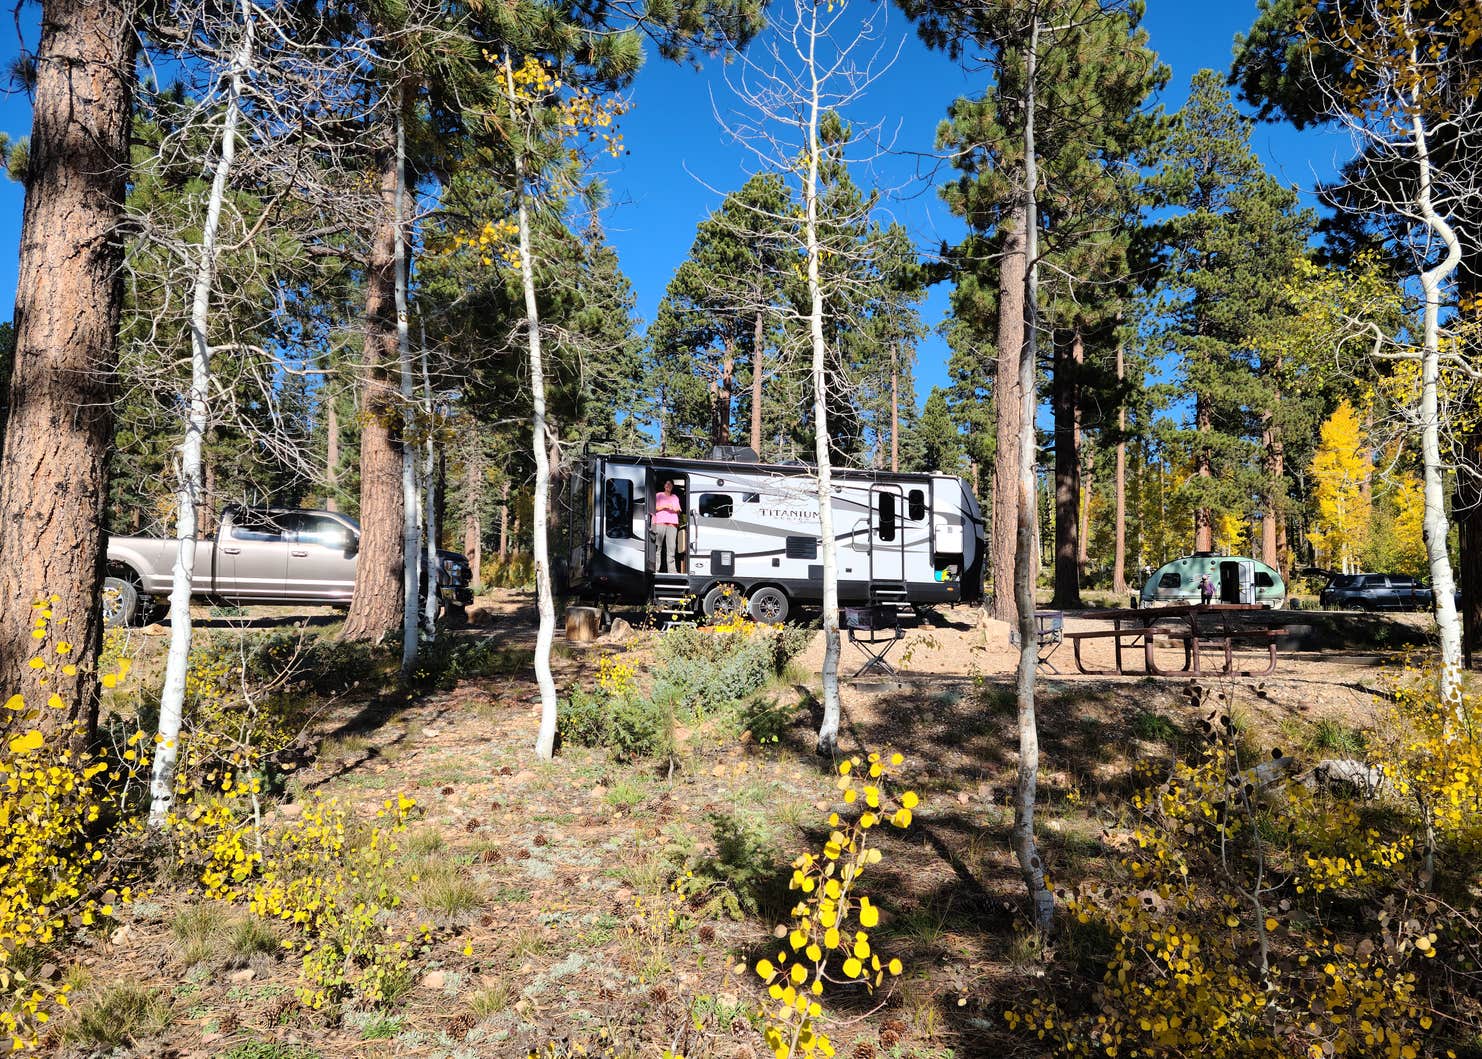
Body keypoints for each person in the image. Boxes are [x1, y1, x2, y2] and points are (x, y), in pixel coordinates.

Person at [652, 479, 681, 573]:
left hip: (672, 523)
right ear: (664, 486)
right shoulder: (659, 495)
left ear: (672, 486)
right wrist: (665, 506)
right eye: (667, 483)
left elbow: (679, 510)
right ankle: (655, 568)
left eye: (670, 484)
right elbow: (653, 508)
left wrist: (676, 509)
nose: (668, 485)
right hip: (660, 522)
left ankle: (672, 570)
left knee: (671, 547)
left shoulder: (675, 497)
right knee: (657, 547)